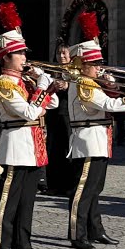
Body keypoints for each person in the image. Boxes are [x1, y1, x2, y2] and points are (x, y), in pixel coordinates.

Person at [66, 12, 125, 249]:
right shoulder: (83, 83)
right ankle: (77, 233)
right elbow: (109, 105)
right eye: (93, 64)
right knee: (83, 191)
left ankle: (96, 230)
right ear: (81, 65)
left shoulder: (93, 82)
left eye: (98, 63)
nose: (98, 67)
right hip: (87, 140)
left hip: (99, 139)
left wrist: (113, 85)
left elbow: (111, 99)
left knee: (96, 189)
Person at [0, 3, 64, 249]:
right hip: (16, 142)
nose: (24, 58)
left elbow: (50, 105)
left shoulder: (26, 81)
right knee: (9, 197)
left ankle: (23, 241)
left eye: (23, 53)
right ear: (6, 57)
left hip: (33, 144)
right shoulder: (4, 83)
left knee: (28, 198)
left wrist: (44, 83)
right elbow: (29, 113)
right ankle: (0, 245)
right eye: (19, 54)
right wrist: (43, 88)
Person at [43, 42, 74, 196]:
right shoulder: (52, 69)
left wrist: (67, 86)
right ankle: (53, 184)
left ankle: (69, 185)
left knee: (67, 148)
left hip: (67, 113)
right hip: (53, 114)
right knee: (53, 148)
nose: (61, 56)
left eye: (64, 53)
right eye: (58, 53)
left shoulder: (75, 70)